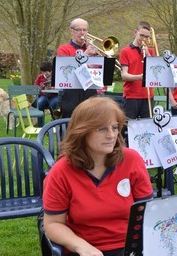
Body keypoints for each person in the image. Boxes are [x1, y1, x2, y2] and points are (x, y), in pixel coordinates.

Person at [43, 97, 154, 256]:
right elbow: (53, 224)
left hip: (131, 247)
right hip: (84, 249)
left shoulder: (132, 160)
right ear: (82, 131)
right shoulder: (61, 171)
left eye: (115, 127)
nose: (111, 135)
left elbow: (148, 212)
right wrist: (80, 246)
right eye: (101, 129)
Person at [56, 18, 99, 118]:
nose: (82, 33)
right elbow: (67, 71)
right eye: (79, 30)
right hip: (71, 91)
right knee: (70, 122)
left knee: (90, 121)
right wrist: (85, 55)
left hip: (89, 89)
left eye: (85, 30)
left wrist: (96, 55)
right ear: (72, 31)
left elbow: (99, 69)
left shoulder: (91, 49)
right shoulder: (64, 49)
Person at [119, 21, 155, 120]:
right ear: (135, 32)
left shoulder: (151, 51)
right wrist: (139, 77)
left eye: (147, 37)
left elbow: (156, 71)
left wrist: (147, 54)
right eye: (141, 35)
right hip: (131, 96)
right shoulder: (125, 51)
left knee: (147, 127)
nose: (144, 39)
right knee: (127, 127)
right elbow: (124, 75)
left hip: (148, 95)